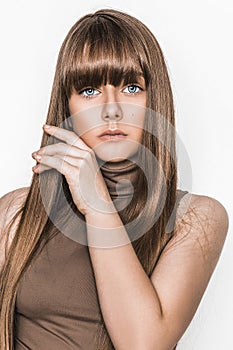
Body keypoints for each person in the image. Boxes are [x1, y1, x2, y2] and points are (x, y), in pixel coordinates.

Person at [0, 8, 229, 350]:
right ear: (68, 106)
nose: (111, 110)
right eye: (89, 90)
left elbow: (144, 344)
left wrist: (97, 204)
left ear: (155, 99)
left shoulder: (195, 219)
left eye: (131, 87)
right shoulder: (18, 212)